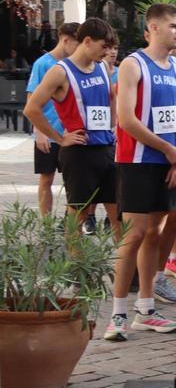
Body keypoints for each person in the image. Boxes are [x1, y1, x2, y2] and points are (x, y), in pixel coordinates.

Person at [106, 3, 176, 342]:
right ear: (152, 28)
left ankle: (146, 308)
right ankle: (117, 314)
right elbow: (126, 119)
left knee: (155, 232)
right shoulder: (133, 64)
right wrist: (169, 150)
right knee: (133, 235)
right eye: (172, 26)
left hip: (168, 162)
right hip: (138, 160)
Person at [24, 18, 119, 232]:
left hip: (107, 148)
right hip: (79, 153)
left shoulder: (103, 67)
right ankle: (74, 264)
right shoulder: (60, 71)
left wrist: (114, 125)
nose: (107, 52)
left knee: (117, 215)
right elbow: (31, 108)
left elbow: (111, 97)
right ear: (87, 41)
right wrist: (59, 138)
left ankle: (122, 266)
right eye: (103, 46)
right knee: (78, 215)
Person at [27, 22, 78, 215]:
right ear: (66, 40)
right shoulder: (43, 64)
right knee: (46, 178)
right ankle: (46, 223)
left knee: (73, 181)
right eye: (77, 44)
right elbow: (31, 100)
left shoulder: (75, 65)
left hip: (71, 133)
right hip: (48, 132)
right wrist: (39, 131)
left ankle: (70, 223)